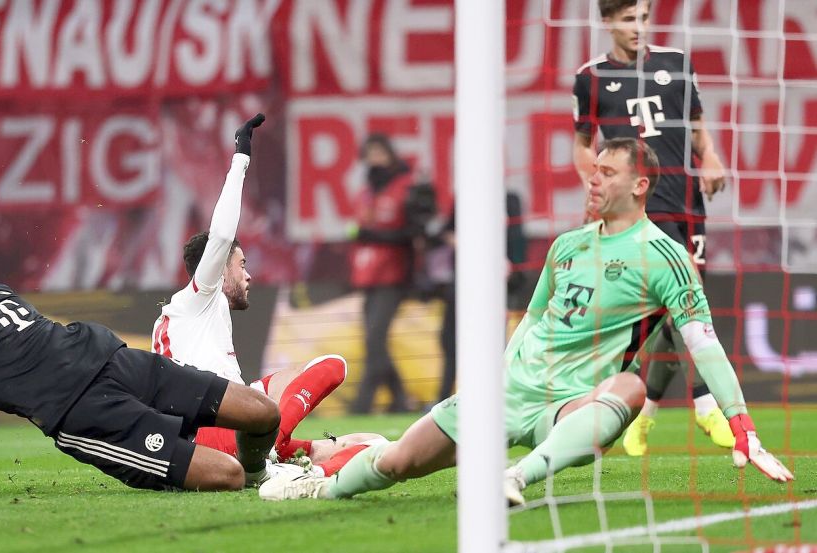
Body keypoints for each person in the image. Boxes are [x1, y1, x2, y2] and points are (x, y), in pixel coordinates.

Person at [258, 138, 793, 504]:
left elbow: (704, 345)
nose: (593, 180)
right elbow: (532, 319)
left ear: (640, 186)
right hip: (514, 388)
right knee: (398, 462)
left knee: (630, 388)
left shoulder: (664, 256)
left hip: (572, 403)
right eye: (593, 170)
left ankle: (516, 475)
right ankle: (316, 485)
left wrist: (741, 425)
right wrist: (497, 378)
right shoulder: (566, 246)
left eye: (608, 173)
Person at [0, 120, 293, 502]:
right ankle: (224, 471)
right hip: (84, 411)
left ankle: (261, 473)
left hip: (117, 361)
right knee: (226, 475)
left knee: (263, 413)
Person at [151, 114, 385, 477]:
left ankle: (299, 470)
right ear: (219, 268)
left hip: (215, 434)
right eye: (241, 265)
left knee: (374, 444)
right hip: (208, 437)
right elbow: (222, 235)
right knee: (332, 364)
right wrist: (241, 158)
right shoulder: (199, 296)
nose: (249, 275)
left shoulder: (192, 319)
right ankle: (272, 448)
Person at [572, 0, 734, 456]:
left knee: (669, 316)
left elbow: (697, 127)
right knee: (686, 299)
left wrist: (711, 157)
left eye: (643, 17)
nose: (639, 27)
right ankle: (706, 405)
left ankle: (643, 415)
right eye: (628, 19)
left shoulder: (677, 64)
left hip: (687, 203)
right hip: (639, 205)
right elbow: (583, 145)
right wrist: (596, 186)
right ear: (608, 22)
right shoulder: (591, 77)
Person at [348, 134, 417, 414]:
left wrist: (374, 235)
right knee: (373, 340)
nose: (375, 159)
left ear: (390, 154)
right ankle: (401, 400)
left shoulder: (406, 186)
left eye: (379, 153)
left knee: (374, 339)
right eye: (370, 154)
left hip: (394, 276)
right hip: (369, 276)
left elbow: (412, 232)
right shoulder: (366, 191)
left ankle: (361, 405)